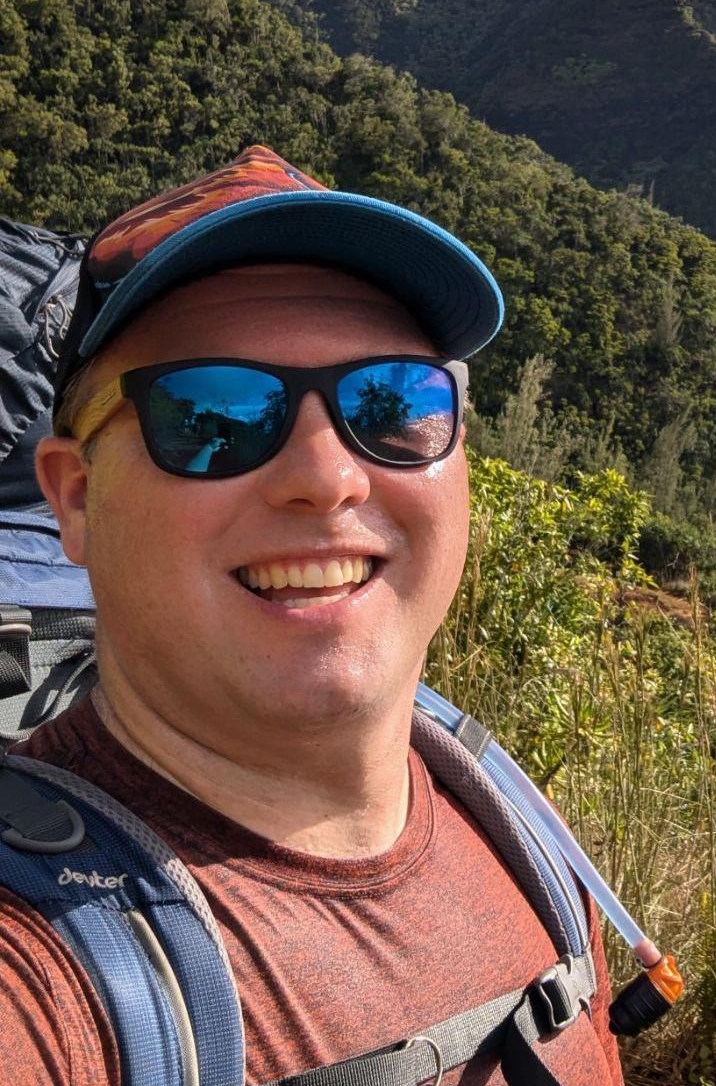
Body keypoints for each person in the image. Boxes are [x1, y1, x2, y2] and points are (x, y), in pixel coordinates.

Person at [0, 146, 624, 1085]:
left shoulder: (522, 830)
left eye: (392, 402)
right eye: (213, 415)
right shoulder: (41, 982)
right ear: (76, 498)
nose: (327, 478)